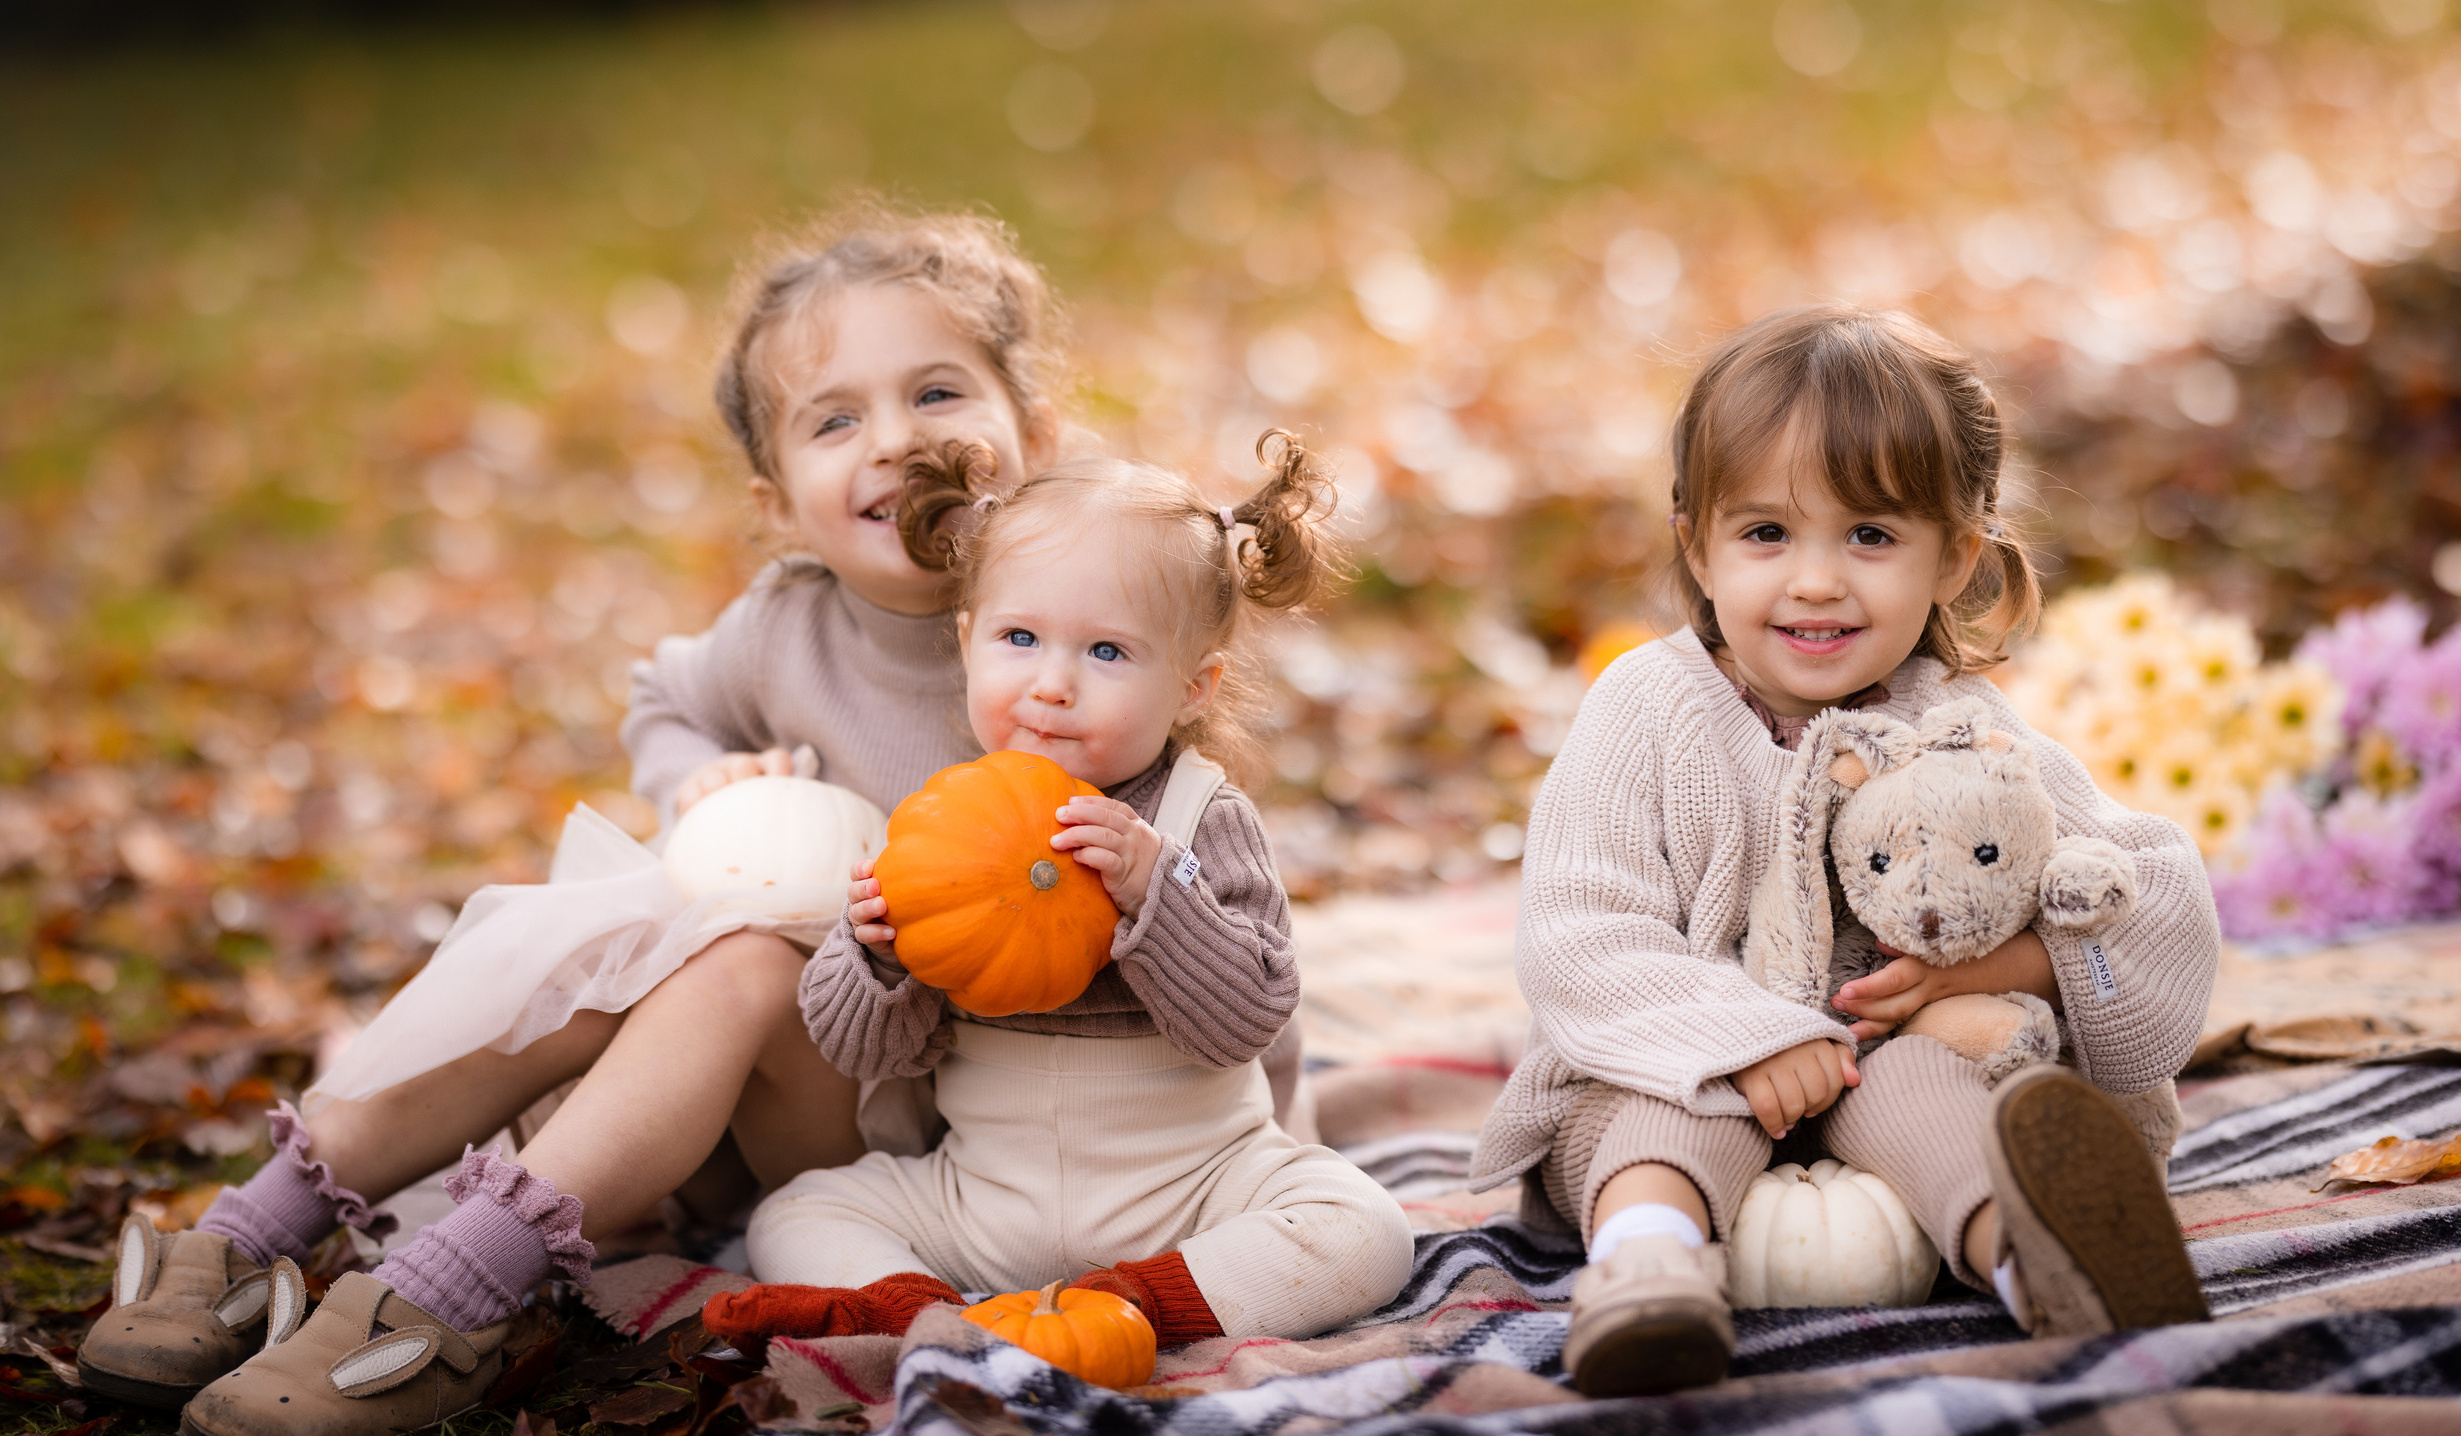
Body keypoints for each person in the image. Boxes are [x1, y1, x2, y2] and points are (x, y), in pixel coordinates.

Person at [94, 207, 1095, 1435]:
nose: (894, 442)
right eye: (836, 419)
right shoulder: (786, 621)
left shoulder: (1070, 635)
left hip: (914, 1127)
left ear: (1034, 436)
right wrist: (696, 783)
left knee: (734, 959)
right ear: (778, 500)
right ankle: (252, 1231)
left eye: (937, 392)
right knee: (614, 939)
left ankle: (444, 1301)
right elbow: (664, 700)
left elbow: (1193, 862)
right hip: (720, 1096)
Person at [1469, 306, 2216, 1398]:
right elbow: (1583, 933)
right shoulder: (1645, 706)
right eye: (1767, 534)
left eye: (1869, 536)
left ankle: (2038, 1260)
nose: (1816, 580)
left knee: (1931, 1088)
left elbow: (2143, 890)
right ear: (1698, 544)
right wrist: (1746, 1037)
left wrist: (2002, 969)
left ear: (1954, 558)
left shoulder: (1961, 729)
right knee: (1655, 1108)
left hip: (1880, 1067)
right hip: (1687, 1062)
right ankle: (1647, 1274)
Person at [702, 437, 1413, 1350]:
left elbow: (1248, 1021)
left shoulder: (1200, 817)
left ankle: (1140, 1303)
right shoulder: (942, 820)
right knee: (795, 1214)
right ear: (967, 644)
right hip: (982, 1202)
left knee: (1366, 1233)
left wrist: (1156, 895)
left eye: (1108, 651)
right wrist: (875, 953)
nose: (1052, 684)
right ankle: (929, 1315)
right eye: (1019, 639)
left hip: (1196, 1187)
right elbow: (860, 1051)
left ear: (1193, 688)